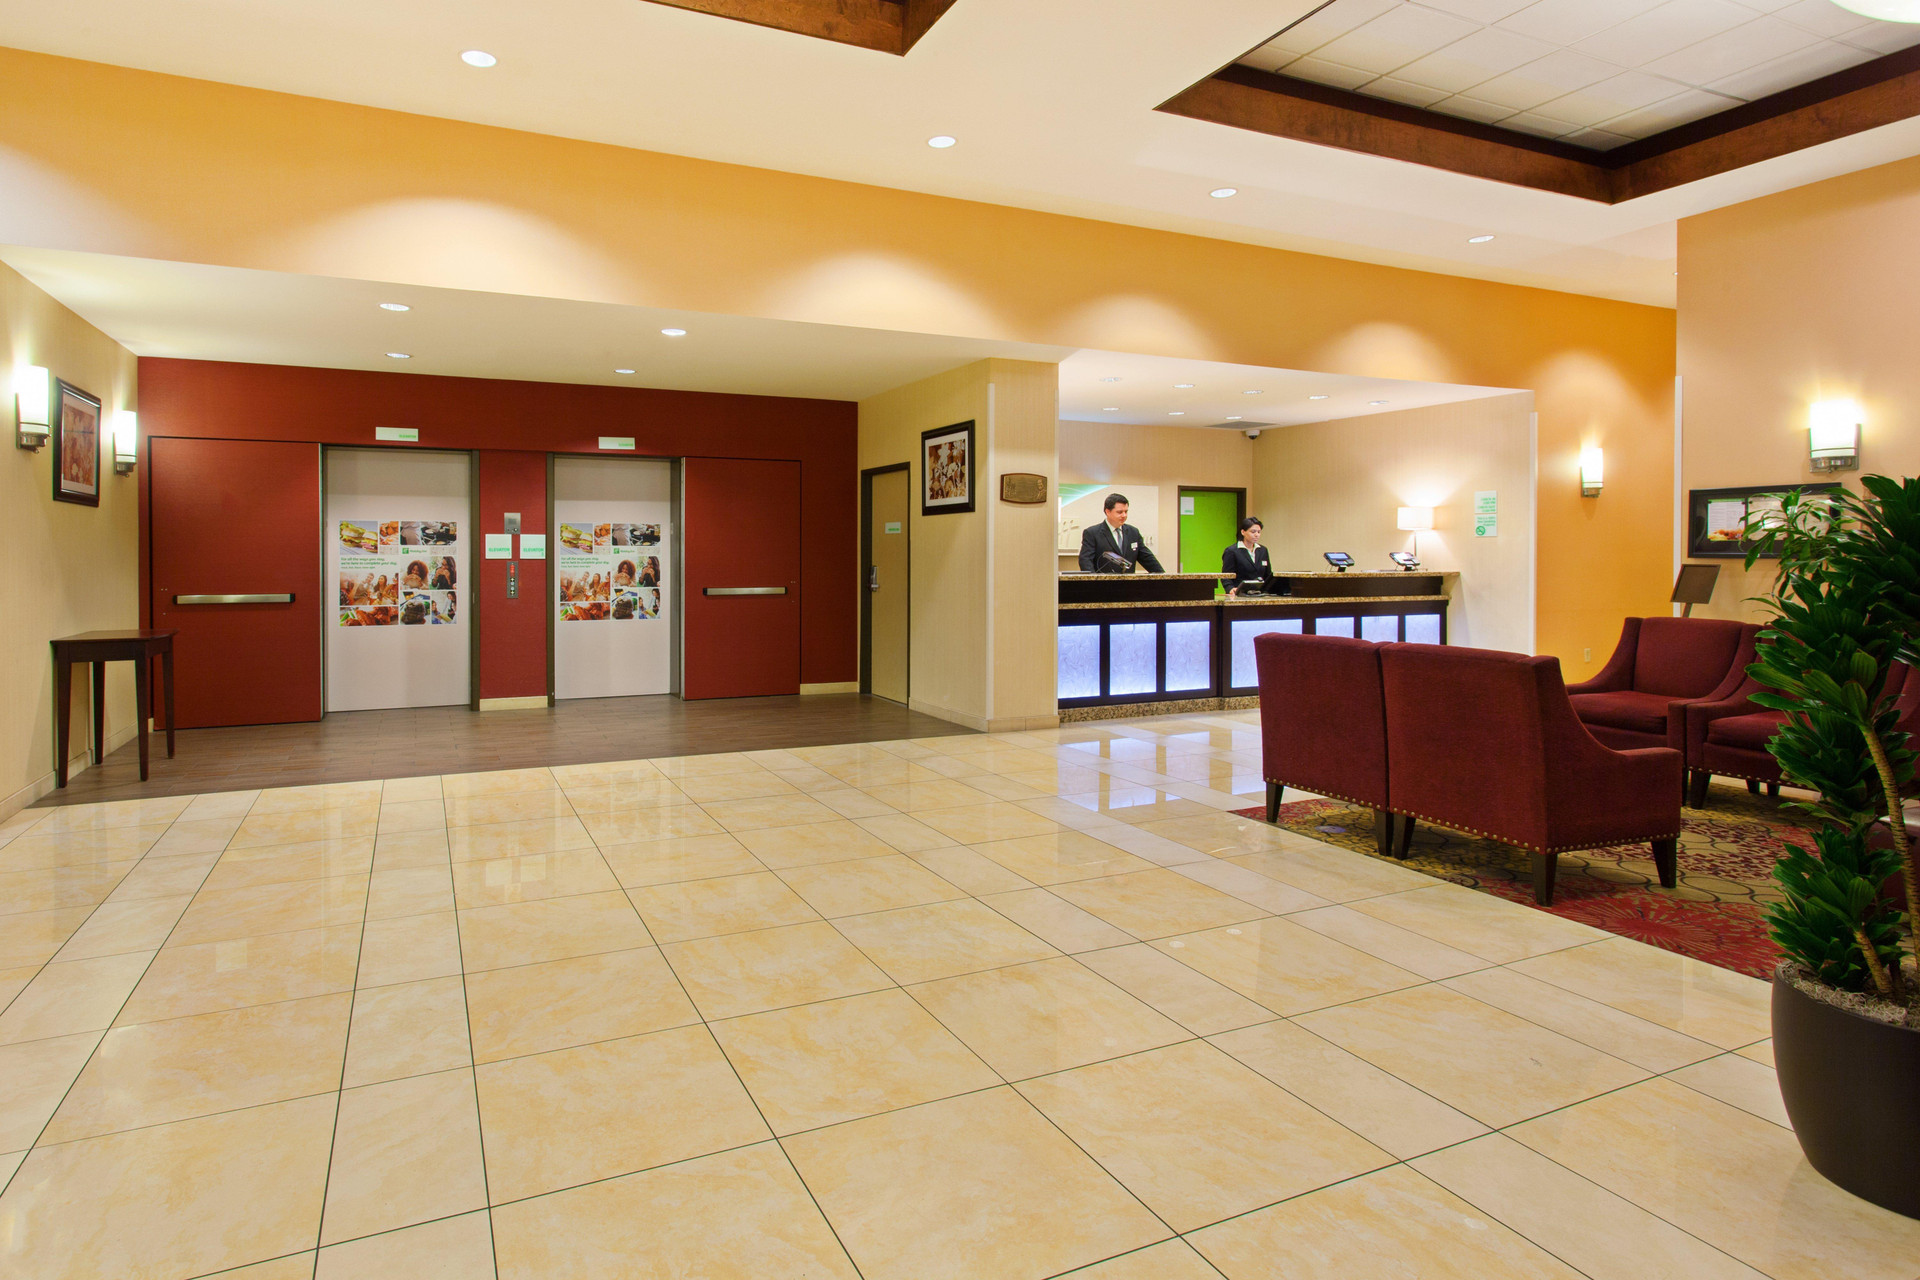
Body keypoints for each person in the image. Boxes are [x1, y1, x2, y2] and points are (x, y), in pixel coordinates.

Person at [1077, 493, 1165, 573]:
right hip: (1103, 584)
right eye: (1119, 512)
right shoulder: (1092, 533)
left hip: (1128, 584)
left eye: (1126, 511)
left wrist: (1163, 576)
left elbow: (1147, 558)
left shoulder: (1133, 532)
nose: (1124, 515)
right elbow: (1085, 561)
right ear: (1107, 511)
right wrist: (1093, 581)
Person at [1221, 516, 1273, 596]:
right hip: (1240, 594)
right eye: (1253, 532)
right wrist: (1230, 588)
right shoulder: (1232, 551)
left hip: (1259, 594)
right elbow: (1226, 576)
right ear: (1243, 532)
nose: (1256, 535)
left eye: (1259, 532)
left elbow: (1268, 575)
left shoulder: (1263, 550)